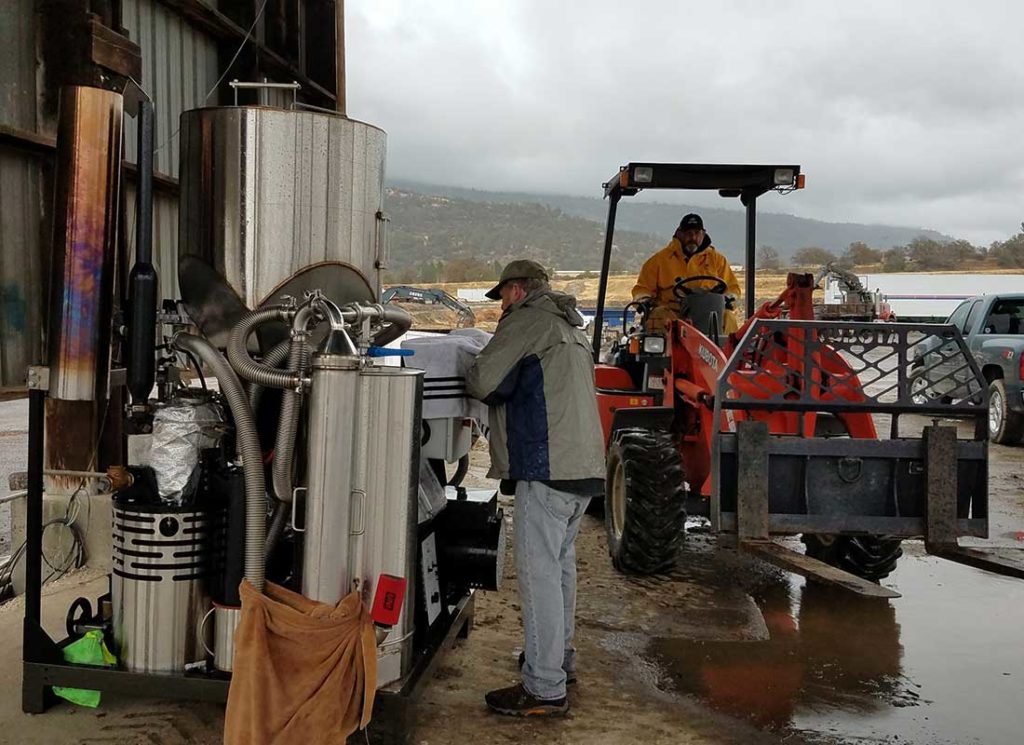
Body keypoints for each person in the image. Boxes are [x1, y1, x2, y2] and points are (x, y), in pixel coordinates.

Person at [466, 259, 605, 718]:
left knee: (537, 573)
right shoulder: (570, 324)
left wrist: (472, 358)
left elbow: (485, 381)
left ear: (519, 290)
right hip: (583, 467)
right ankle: (558, 660)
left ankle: (544, 687)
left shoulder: (528, 320)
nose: (501, 305)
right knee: (560, 567)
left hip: (546, 468)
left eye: (503, 295)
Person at [632, 212, 741, 334]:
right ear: (679, 234)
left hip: (710, 313)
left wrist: (729, 299)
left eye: (696, 233)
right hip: (674, 314)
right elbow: (642, 289)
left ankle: (726, 351)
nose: (693, 237)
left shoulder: (717, 261)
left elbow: (732, 289)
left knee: (728, 317)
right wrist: (644, 300)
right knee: (659, 314)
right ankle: (660, 351)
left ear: (703, 234)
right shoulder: (659, 261)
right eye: (688, 233)